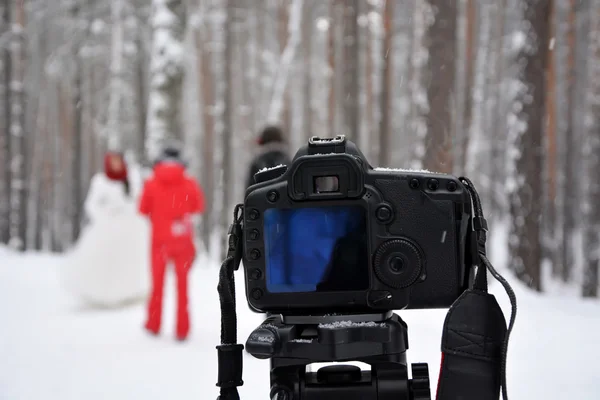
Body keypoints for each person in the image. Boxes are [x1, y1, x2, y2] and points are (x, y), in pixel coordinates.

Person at [61, 151, 151, 308]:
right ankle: (105, 295)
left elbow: (139, 201)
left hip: (129, 227)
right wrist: (105, 216)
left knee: (128, 261)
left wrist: (129, 211)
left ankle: (128, 292)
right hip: (106, 227)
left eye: (118, 162)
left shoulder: (131, 180)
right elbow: (91, 205)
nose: (116, 165)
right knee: (106, 262)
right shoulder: (100, 181)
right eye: (113, 162)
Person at [138, 146, 205, 341]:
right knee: (182, 287)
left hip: (159, 242)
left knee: (157, 286)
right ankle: (182, 329)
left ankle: (153, 324)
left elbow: (143, 209)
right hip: (183, 241)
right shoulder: (189, 183)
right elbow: (198, 207)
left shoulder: (151, 183)